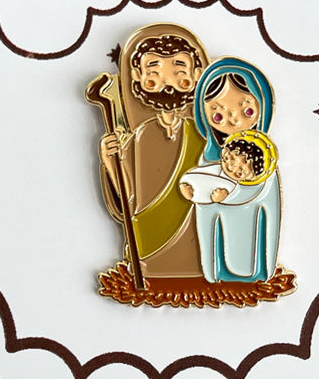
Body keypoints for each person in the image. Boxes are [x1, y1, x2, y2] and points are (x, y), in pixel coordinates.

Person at [96, 24, 208, 282]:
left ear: (197, 75)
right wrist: (110, 163)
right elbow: (128, 200)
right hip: (150, 251)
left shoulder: (202, 136)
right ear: (137, 76)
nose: (167, 83)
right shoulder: (141, 136)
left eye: (179, 72)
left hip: (199, 247)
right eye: (155, 73)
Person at [187, 59, 282, 283]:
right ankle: (213, 272)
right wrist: (194, 190)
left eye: (247, 110)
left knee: (256, 240)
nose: (233, 120)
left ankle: (261, 272)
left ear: (263, 108)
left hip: (252, 222)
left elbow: (263, 194)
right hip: (220, 225)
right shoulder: (209, 156)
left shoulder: (263, 157)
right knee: (213, 235)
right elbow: (202, 196)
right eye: (218, 115)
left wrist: (227, 195)